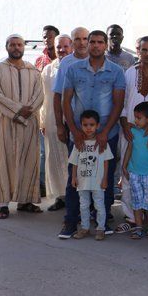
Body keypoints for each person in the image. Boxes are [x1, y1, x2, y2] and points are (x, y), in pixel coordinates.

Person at [62, 30, 126, 235]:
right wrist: (75, 131)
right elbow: (65, 101)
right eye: (93, 42)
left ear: (106, 45)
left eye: (100, 42)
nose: (96, 45)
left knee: (103, 178)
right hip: (79, 136)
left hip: (107, 134)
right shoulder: (73, 69)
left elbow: (118, 104)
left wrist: (104, 132)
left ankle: (103, 220)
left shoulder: (116, 71)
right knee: (75, 179)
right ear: (87, 44)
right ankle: (71, 222)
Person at [0, 34, 45, 219]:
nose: (16, 47)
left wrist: (27, 112)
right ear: (7, 47)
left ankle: (26, 201)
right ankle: (3, 205)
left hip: (29, 124)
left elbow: (40, 96)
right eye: (12, 44)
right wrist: (18, 111)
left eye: (19, 44)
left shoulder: (33, 71)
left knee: (29, 161)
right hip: (6, 123)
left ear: (23, 47)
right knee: (3, 161)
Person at [118, 36, 148, 229]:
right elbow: (122, 102)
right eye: (144, 50)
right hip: (131, 131)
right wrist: (124, 124)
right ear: (138, 51)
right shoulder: (130, 72)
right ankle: (131, 215)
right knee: (131, 171)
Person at [52, 27, 90, 237]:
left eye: (86, 38)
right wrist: (60, 125)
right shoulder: (66, 64)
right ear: (73, 42)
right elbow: (58, 97)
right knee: (75, 175)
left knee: (97, 174)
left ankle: (95, 215)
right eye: (78, 39)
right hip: (74, 129)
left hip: (98, 129)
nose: (83, 43)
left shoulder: (100, 61)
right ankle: (71, 220)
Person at [121, 101, 148, 240]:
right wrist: (124, 165)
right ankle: (138, 227)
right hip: (134, 173)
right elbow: (130, 148)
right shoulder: (133, 131)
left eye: (139, 118)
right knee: (137, 200)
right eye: (135, 117)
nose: (135, 120)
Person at [68, 110, 113, 240]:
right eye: (85, 125)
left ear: (98, 126)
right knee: (83, 205)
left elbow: (106, 162)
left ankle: (100, 229)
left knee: (99, 205)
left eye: (92, 125)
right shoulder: (79, 143)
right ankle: (85, 228)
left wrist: (104, 179)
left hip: (98, 182)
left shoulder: (102, 142)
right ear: (81, 126)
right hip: (82, 182)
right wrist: (74, 177)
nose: (88, 128)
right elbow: (74, 162)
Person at [41, 34, 72, 211]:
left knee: (71, 160)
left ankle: (74, 196)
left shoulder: (77, 66)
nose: (62, 50)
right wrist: (42, 120)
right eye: (59, 47)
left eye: (65, 46)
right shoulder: (48, 70)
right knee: (54, 159)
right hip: (53, 120)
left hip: (73, 121)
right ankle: (61, 197)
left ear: (71, 47)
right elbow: (44, 98)